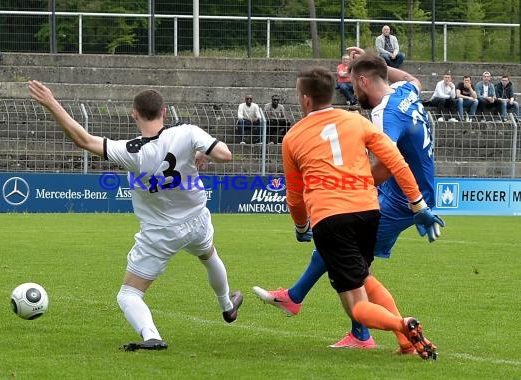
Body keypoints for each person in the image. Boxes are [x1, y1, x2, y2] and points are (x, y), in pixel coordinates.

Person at [28, 80, 243, 351]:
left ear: (134, 114)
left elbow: (82, 139)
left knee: (129, 293)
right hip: (196, 219)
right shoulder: (187, 132)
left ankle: (151, 336)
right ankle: (227, 306)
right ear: (164, 112)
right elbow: (225, 154)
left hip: (160, 233)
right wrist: (201, 153)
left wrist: (51, 103)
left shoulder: (132, 151)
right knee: (208, 255)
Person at [254, 47, 443, 355]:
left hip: (390, 200)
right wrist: (419, 203)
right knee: (355, 269)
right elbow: (410, 78)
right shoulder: (403, 93)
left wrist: (345, 188)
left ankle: (375, 330)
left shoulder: (383, 113)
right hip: (397, 197)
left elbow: (385, 164)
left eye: (356, 84)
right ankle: (297, 297)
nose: (355, 92)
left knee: (353, 278)